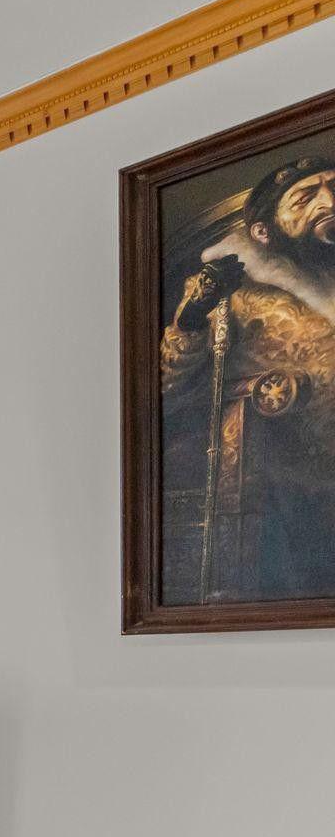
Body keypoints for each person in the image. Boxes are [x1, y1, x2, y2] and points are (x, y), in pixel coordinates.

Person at [161, 155, 335, 600]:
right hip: (279, 493)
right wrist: (192, 317)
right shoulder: (231, 292)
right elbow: (169, 389)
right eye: (305, 196)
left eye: (333, 188)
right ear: (263, 231)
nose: (329, 201)